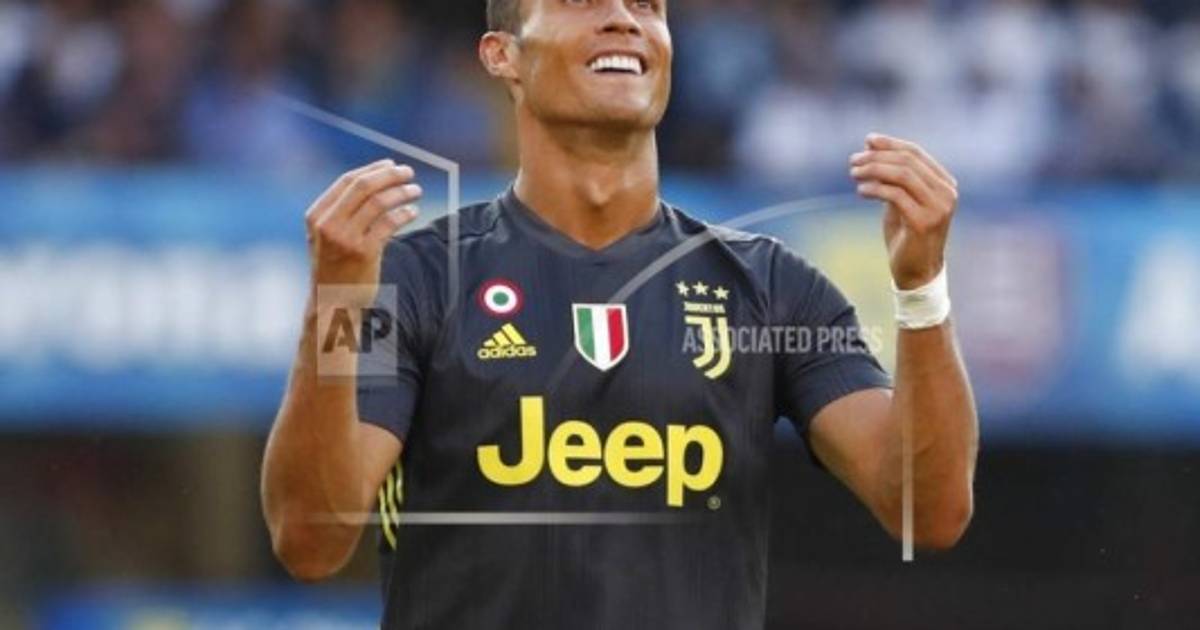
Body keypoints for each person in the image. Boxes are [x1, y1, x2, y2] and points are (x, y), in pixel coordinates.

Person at [261, 1, 978, 628]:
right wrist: (336, 301)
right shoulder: (412, 278)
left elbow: (930, 511)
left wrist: (921, 290)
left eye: (647, 5)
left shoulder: (771, 286)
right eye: (581, 1)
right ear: (502, 55)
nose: (623, 19)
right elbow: (310, 541)